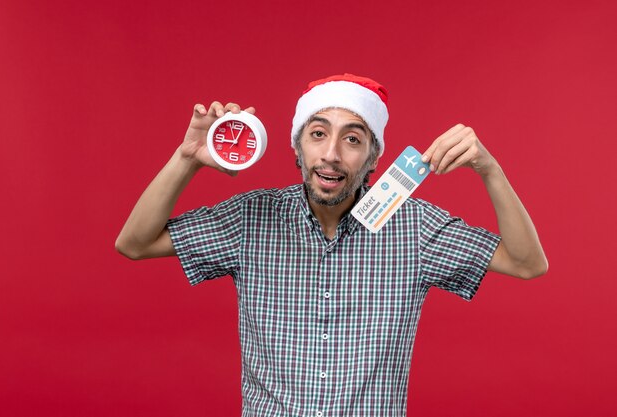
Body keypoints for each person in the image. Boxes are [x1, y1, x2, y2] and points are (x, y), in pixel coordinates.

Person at [116, 74, 548, 417]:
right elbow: (135, 243)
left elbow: (527, 264)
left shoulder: (414, 228)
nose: (332, 154)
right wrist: (188, 157)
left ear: (375, 158)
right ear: (297, 149)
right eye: (318, 134)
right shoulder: (251, 220)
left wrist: (489, 169)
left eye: (353, 139)